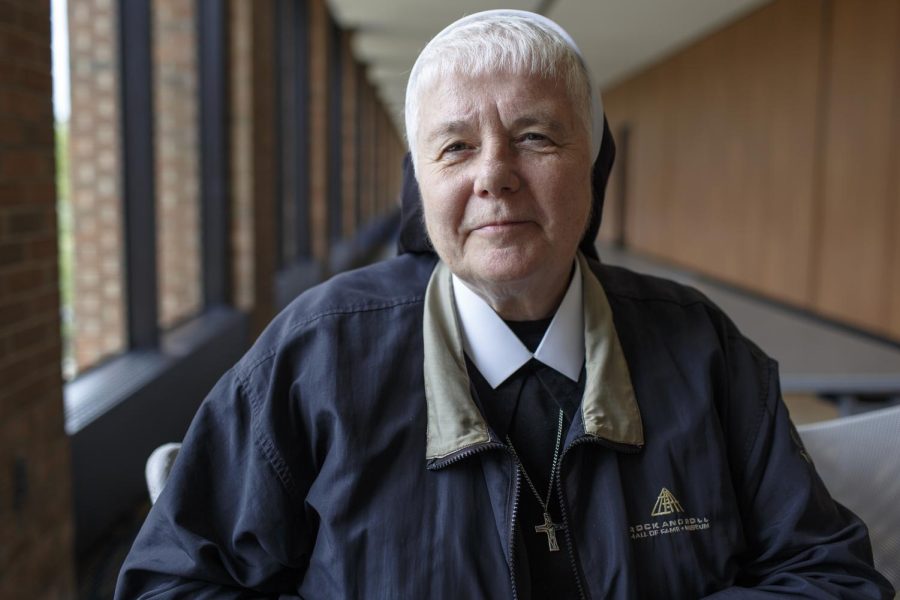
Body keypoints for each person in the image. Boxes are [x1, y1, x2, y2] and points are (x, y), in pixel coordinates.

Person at [116, 10, 893, 599]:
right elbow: (168, 582)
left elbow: (832, 573)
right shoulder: (315, 357)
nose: (495, 176)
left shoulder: (701, 347)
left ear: (592, 167)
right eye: (455, 147)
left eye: (534, 137)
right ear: (420, 185)